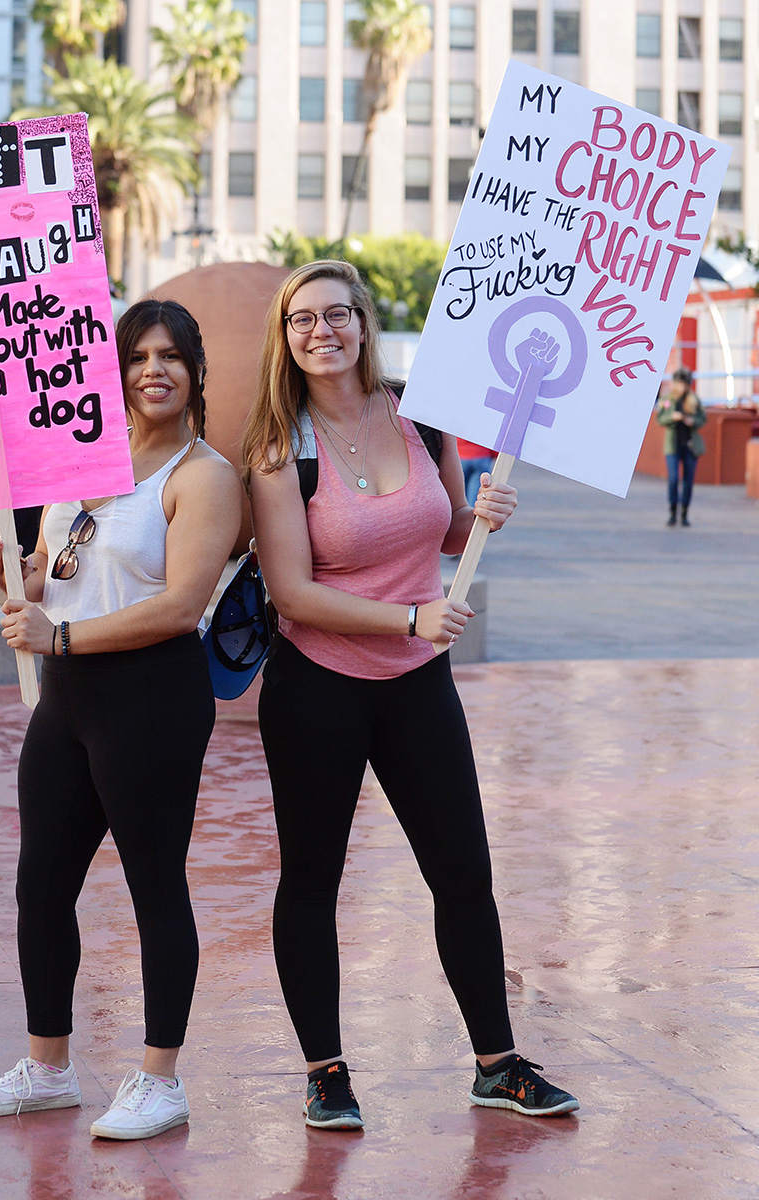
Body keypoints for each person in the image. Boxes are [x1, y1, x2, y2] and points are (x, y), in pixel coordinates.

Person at [241, 260, 579, 1130]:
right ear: (286, 337)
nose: (322, 332)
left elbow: (446, 525)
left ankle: (497, 1065)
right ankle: (325, 1072)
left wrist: (485, 513)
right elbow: (291, 592)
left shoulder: (421, 416)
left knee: (464, 873)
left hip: (417, 683)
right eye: (302, 320)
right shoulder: (283, 445)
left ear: (363, 321)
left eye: (337, 315)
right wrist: (410, 618)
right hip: (319, 684)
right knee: (312, 880)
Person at [0, 299, 240, 1139]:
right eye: (138, 356)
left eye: (170, 356)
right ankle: (47, 1067)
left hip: (151, 695)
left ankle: (161, 1078)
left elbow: (182, 604)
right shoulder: (80, 458)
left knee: (155, 887)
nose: (153, 369)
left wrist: (60, 631)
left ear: (194, 372)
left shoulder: (202, 476)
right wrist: (16, 573)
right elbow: (54, 571)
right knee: (41, 882)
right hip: (67, 697)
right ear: (115, 371)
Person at [655, 366, 706, 527]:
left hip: (690, 444)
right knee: (673, 478)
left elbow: (702, 418)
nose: (682, 387)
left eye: (685, 384)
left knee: (688, 480)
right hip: (673, 444)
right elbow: (660, 419)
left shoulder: (693, 400)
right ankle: (672, 511)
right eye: (679, 383)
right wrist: (673, 416)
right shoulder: (668, 399)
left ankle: (684, 513)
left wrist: (693, 421)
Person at [457, 436, 496, 507]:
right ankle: (473, 515)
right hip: (481, 456)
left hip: (461, 455)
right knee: (476, 495)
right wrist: (495, 454)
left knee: (458, 494)